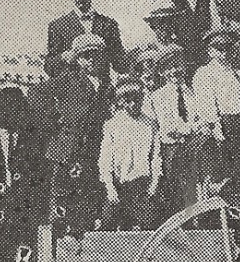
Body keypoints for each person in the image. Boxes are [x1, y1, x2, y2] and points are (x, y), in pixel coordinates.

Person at [41, 33, 115, 238]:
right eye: (85, 56)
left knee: (87, 199)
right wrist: (57, 122)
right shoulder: (68, 79)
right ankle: (57, 245)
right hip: (66, 150)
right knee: (61, 200)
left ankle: (82, 243)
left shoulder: (107, 85)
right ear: (78, 59)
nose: (91, 60)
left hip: (92, 151)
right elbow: (40, 94)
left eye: (95, 55)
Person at [145, 44, 218, 214]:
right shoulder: (157, 97)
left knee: (196, 191)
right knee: (177, 195)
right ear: (162, 72)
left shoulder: (192, 93)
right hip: (171, 152)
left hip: (193, 150)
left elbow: (201, 117)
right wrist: (194, 127)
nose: (174, 71)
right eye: (169, 68)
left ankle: (202, 211)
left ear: (184, 66)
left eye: (178, 65)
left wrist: (203, 126)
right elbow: (169, 128)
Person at [99, 79, 162, 230]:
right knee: (108, 223)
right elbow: (105, 161)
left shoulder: (150, 125)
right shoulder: (112, 125)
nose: (133, 104)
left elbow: (156, 157)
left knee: (149, 225)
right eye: (128, 101)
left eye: (136, 100)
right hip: (119, 186)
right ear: (121, 102)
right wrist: (110, 188)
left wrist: (153, 185)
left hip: (142, 186)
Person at [192, 25, 240, 185]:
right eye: (218, 48)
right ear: (210, 51)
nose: (223, 52)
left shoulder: (238, 74)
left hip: (238, 126)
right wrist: (217, 130)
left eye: (227, 47)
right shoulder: (204, 73)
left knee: (238, 172)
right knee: (220, 173)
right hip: (219, 127)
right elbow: (207, 106)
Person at [46, 0, 125, 73]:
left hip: (102, 82)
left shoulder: (109, 25)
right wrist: (64, 57)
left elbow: (121, 65)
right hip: (72, 82)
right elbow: (49, 68)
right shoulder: (58, 26)